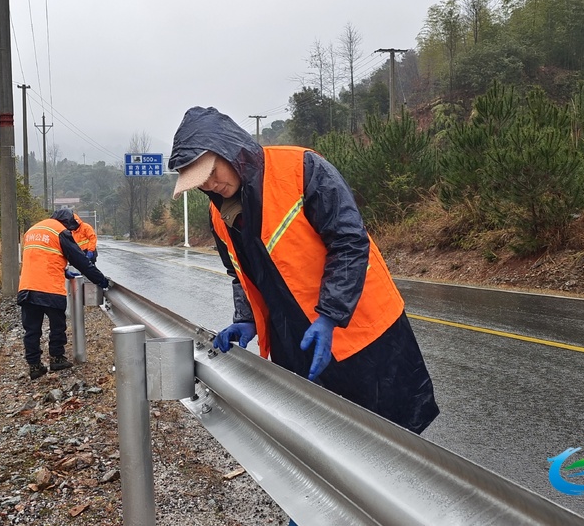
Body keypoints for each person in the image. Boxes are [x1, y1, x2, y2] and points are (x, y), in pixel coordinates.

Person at [168, 106, 439, 437]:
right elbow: (242, 273)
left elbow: (350, 243)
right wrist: (246, 318)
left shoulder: (300, 168)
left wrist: (329, 315)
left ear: (230, 150)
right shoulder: (219, 215)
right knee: (327, 439)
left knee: (392, 441)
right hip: (295, 341)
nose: (210, 184)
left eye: (211, 171)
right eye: (200, 181)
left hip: (363, 331)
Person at [19, 209, 110, 380]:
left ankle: (34, 366)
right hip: (49, 288)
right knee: (57, 325)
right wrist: (100, 279)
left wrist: (64, 270)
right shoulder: (59, 231)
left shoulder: (33, 230)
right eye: (71, 227)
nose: (71, 230)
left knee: (31, 329)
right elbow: (80, 261)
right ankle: (56, 358)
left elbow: (42, 256)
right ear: (66, 222)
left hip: (27, 287)